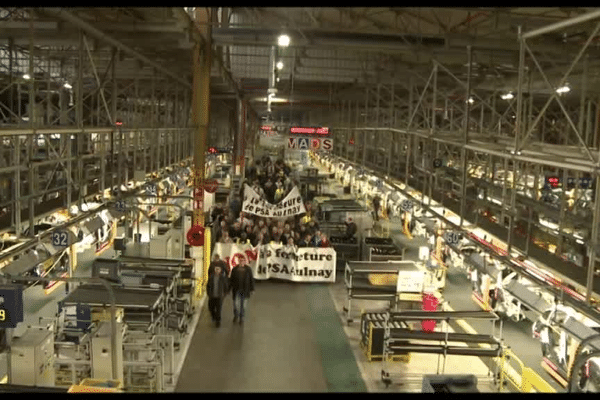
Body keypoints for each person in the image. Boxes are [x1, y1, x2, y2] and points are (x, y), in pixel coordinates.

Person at [229, 256, 255, 324]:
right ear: (238, 261)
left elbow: (251, 279)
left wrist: (252, 289)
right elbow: (231, 280)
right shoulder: (235, 269)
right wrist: (229, 289)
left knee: (243, 305)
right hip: (236, 290)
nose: (242, 262)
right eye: (240, 260)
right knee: (236, 304)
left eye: (243, 260)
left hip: (245, 290)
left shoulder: (248, 269)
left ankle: (241, 318)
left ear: (245, 261)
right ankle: (236, 315)